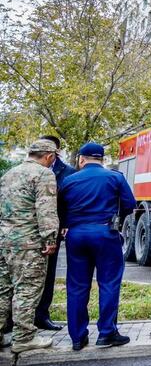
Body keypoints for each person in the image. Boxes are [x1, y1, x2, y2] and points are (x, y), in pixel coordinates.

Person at [59, 142, 136, 351]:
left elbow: (60, 207)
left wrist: (68, 223)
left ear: (81, 159)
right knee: (109, 283)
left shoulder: (69, 180)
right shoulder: (115, 177)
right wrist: (114, 218)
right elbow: (130, 204)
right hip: (104, 233)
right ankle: (106, 333)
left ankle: (77, 337)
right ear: (101, 160)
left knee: (76, 286)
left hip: (76, 235)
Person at [0, 139, 59, 353]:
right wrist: (50, 239)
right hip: (29, 243)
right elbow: (46, 210)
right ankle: (24, 337)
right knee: (27, 288)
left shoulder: (9, 174)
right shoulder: (44, 174)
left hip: (5, 240)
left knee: (3, 289)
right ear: (49, 156)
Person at [34, 135, 77, 332]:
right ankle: (14, 319)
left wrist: (66, 224)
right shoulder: (28, 169)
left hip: (53, 230)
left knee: (48, 274)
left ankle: (42, 315)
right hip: (27, 230)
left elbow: (70, 203)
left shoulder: (67, 173)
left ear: (55, 152)